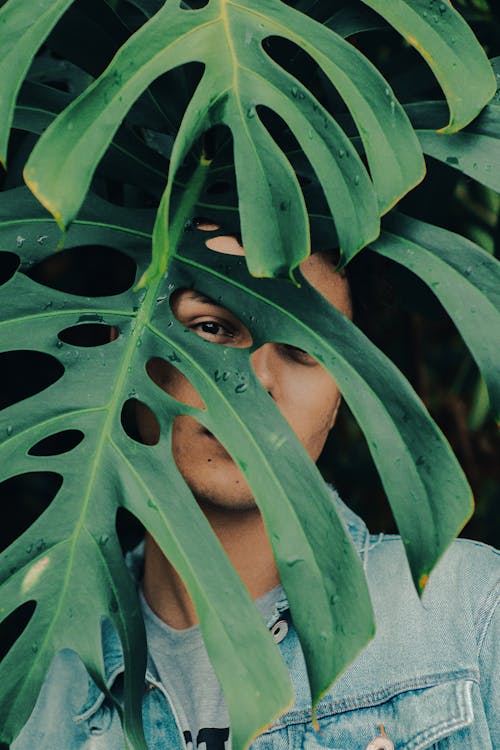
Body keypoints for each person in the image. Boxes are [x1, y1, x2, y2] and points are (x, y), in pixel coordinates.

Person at [12, 232, 499, 750]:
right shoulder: (47, 688)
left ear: (340, 396)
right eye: (213, 328)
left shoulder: (469, 615)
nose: (257, 380)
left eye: (300, 348)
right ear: (124, 349)